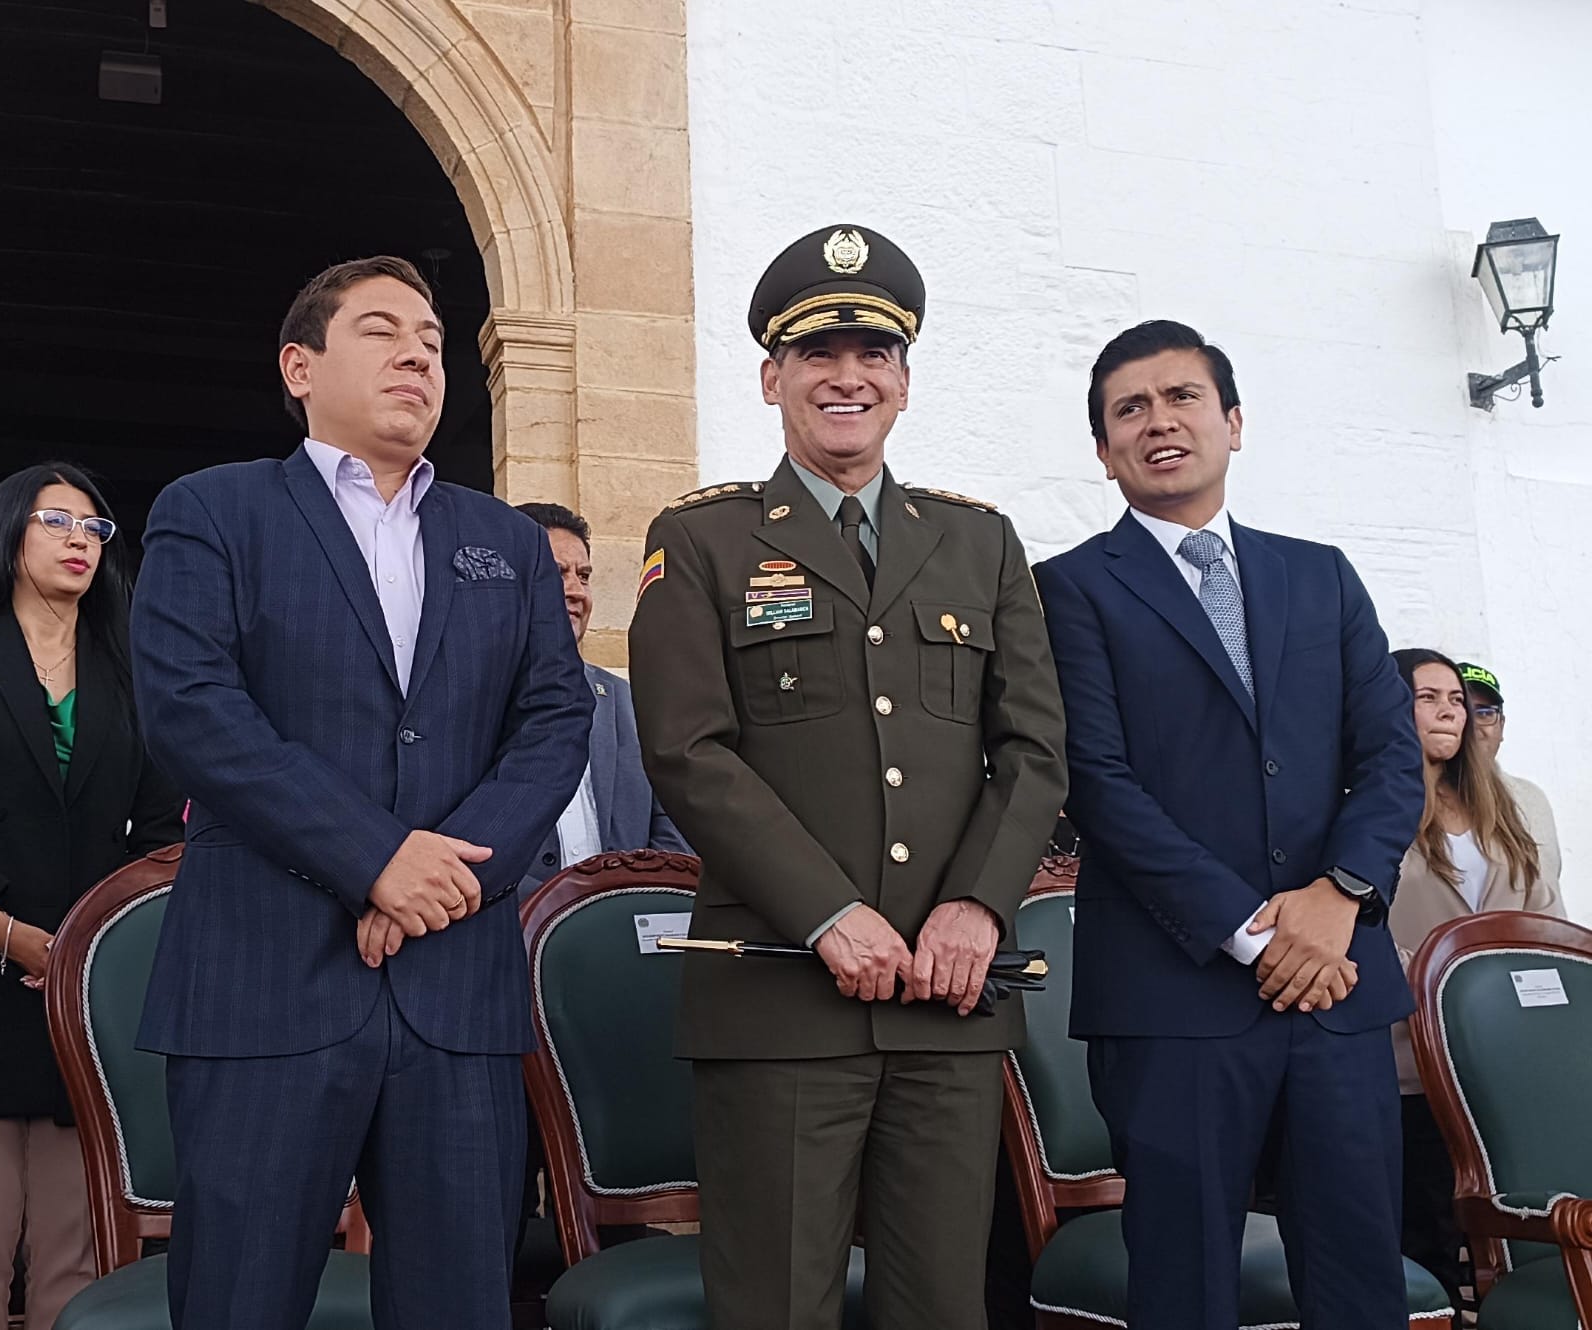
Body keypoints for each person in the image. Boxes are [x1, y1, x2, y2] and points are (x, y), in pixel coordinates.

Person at [129, 256, 594, 1330]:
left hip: (455, 989)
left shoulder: (506, 543)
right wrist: (375, 857)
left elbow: (554, 722)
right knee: (239, 1300)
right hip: (264, 981)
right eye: (382, 331)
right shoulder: (214, 510)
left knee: (458, 1306)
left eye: (431, 341)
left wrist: (447, 872)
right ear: (300, 365)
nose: (417, 355)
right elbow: (194, 710)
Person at [628, 225, 1069, 1330]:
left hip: (949, 995)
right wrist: (829, 911)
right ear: (772, 378)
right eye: (818, 355)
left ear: (905, 383)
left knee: (941, 1309)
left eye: (873, 354)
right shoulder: (703, 539)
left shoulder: (981, 543)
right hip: (780, 994)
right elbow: (688, 749)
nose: (847, 377)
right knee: (776, 1306)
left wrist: (975, 905)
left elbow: (1032, 747)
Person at [1033, 319, 1425, 1329]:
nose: (1158, 422)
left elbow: (1387, 758)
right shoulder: (1067, 589)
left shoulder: (1321, 574)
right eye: (1130, 409)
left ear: (1232, 422)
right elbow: (1098, 782)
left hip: (1336, 993)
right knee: (1184, 1288)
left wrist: (1338, 896)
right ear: (1102, 448)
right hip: (1175, 1001)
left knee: (1358, 1285)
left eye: (1181, 398)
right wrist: (1257, 930)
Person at [0, 463, 183, 1330]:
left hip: (84, 986)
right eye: (57, 521)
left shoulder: (130, 669)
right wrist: (8, 934)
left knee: (75, 1252)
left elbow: (155, 831)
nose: (80, 540)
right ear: (9, 533)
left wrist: (89, 944)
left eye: (95, 529)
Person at [1388, 647, 1563, 1309]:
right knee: (1431, 1233)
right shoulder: (1371, 803)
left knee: (1524, 1223)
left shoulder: (1504, 807)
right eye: (1427, 697)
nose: (1449, 711)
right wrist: (1450, 998)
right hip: (1415, 1061)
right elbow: (1363, 928)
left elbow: (1544, 916)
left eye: (1456, 699)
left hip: (1514, 1063)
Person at [512, 501, 689, 891]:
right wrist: (543, 910)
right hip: (513, 936)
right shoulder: (469, 701)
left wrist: (624, 905)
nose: (576, 591)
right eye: (556, 574)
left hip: (620, 932)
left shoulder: (629, 702)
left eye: (584, 576)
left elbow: (674, 823)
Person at [1456, 660, 1563, 887]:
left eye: (1485, 713)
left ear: (1501, 727)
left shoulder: (1530, 799)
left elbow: (1548, 887)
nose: (1474, 725)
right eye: (1463, 709)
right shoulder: (1414, 799)